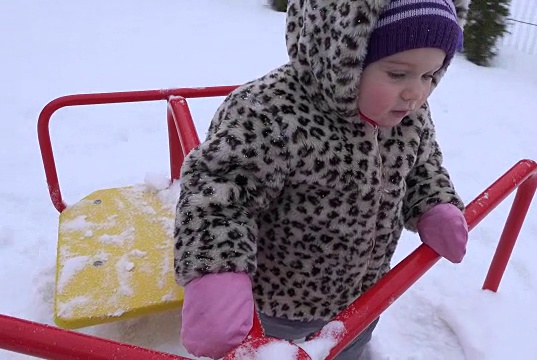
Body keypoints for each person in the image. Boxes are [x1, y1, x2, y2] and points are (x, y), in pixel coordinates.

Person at [173, 0, 469, 358]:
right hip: (280, 309)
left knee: (349, 348)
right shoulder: (270, 113)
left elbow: (423, 165)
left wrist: (435, 204)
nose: (416, 93)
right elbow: (217, 194)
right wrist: (216, 273)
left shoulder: (409, 115)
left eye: (429, 75)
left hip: (364, 300)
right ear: (344, 54)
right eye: (397, 74)